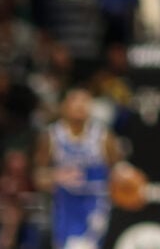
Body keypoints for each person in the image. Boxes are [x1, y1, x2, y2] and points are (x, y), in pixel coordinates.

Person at [33, 87, 123, 248]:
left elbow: (118, 171)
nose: (80, 105)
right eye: (75, 100)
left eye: (85, 101)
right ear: (64, 106)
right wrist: (55, 176)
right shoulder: (52, 136)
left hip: (96, 205)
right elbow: (38, 177)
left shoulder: (103, 136)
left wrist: (126, 180)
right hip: (66, 205)